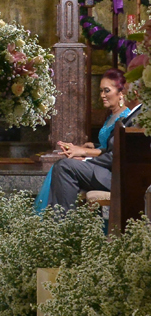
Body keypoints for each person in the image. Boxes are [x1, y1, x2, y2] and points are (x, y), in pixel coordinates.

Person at [35, 69, 136, 213]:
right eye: (101, 91)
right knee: (61, 165)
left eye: (107, 91)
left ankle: (64, 224)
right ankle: (58, 222)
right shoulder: (111, 116)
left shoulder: (124, 120)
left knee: (64, 166)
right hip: (103, 168)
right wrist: (91, 147)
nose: (102, 95)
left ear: (120, 93)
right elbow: (108, 146)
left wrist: (84, 159)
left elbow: (114, 155)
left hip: (111, 174)